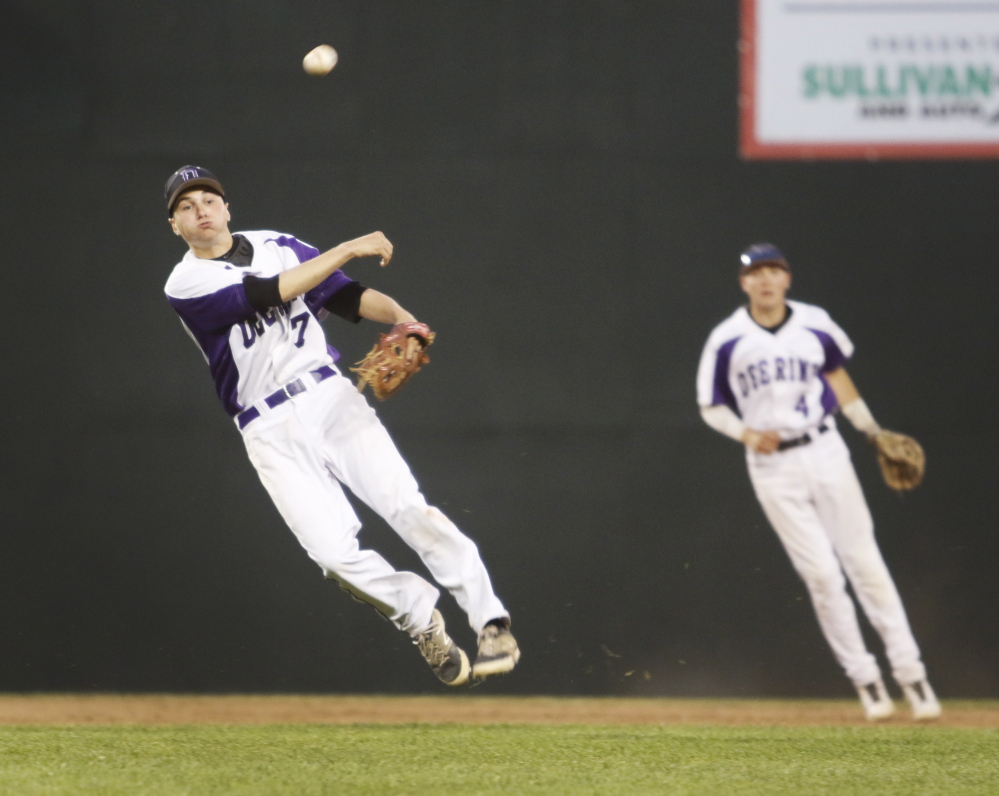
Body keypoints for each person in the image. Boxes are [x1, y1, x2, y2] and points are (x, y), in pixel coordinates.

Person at [162, 165, 520, 686]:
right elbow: (268, 293)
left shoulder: (277, 243)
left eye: (209, 200)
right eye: (186, 207)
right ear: (175, 225)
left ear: (227, 208)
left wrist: (404, 319)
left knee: (406, 506)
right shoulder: (184, 282)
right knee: (331, 554)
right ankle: (419, 617)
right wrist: (347, 246)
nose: (201, 212)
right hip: (267, 425)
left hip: (331, 396)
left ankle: (491, 620)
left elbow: (343, 295)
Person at [695, 243, 940, 721]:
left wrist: (869, 429)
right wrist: (744, 432)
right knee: (823, 577)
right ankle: (867, 682)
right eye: (756, 272)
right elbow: (710, 404)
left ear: (787, 278)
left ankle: (913, 676)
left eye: (774, 271)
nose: (766, 280)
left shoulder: (814, 322)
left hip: (826, 449)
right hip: (772, 468)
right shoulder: (727, 338)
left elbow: (837, 376)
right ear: (743, 282)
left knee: (865, 564)